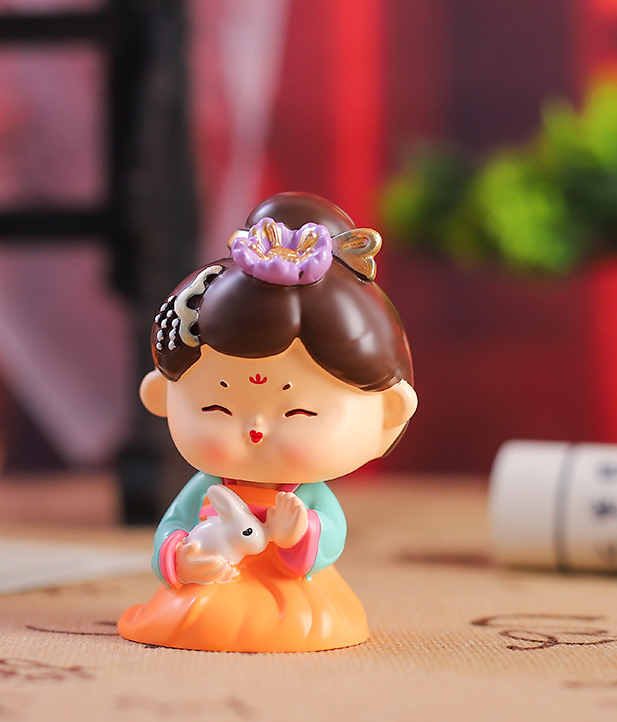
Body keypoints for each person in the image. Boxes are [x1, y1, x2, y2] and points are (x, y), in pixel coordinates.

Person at [117, 192, 417, 652]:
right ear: (161, 397)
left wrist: (300, 534)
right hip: (211, 584)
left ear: (387, 413)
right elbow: (173, 526)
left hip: (294, 591)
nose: (255, 430)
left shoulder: (305, 495)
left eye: (299, 412)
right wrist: (183, 557)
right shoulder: (208, 488)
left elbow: (330, 535)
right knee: (192, 615)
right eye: (216, 409)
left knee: (305, 620)